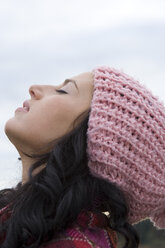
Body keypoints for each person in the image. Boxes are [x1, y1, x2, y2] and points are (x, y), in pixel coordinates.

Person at [0, 66, 164, 248]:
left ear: (93, 142)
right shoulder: (16, 217)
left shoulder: (71, 244)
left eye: (63, 91)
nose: (34, 88)